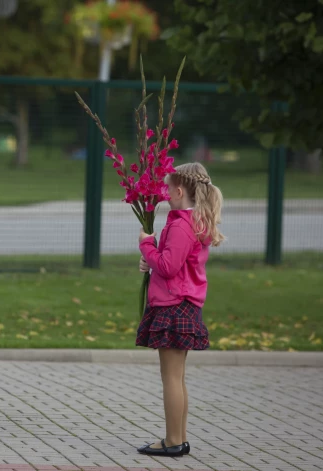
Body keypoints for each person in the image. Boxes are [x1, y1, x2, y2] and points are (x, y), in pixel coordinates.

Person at [135, 162, 225, 457]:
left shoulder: (180, 225)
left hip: (174, 307)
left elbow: (168, 267)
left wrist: (147, 246)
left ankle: (173, 441)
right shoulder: (192, 222)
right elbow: (171, 263)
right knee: (177, 376)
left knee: (171, 377)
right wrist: (152, 261)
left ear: (178, 190)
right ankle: (178, 438)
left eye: (166, 188)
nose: (163, 193)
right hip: (183, 304)